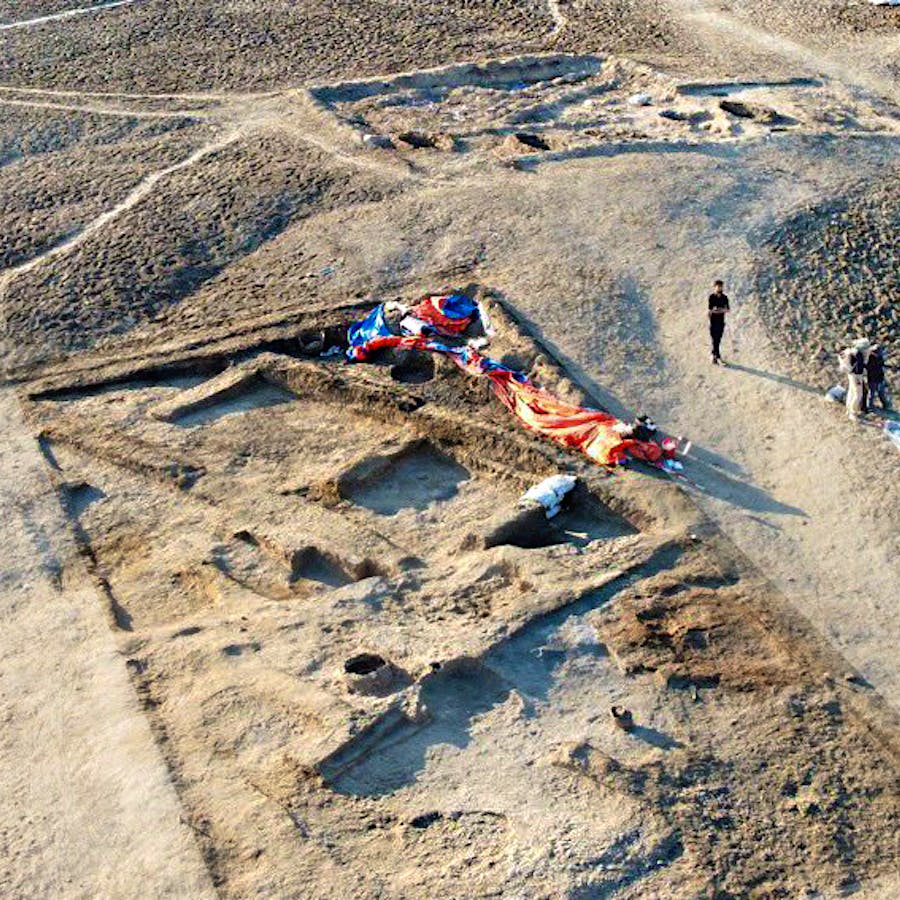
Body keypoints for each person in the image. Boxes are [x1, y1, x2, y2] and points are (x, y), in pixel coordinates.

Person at [838, 338, 870, 421]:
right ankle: (853, 413)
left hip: (851, 374)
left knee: (851, 392)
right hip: (856, 376)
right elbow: (859, 367)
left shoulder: (850, 351)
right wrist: (859, 380)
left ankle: (849, 409)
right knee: (858, 395)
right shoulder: (858, 354)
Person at [707, 280, 730, 365]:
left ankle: (714, 355)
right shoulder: (712, 297)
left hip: (721, 321)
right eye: (717, 286)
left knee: (718, 339)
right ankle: (717, 356)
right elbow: (710, 310)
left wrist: (719, 310)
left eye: (720, 286)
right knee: (714, 339)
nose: (719, 288)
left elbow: (727, 309)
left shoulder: (725, 297)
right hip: (713, 321)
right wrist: (717, 310)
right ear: (715, 287)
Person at [866, 344, 892, 412]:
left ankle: (885, 406)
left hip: (879, 377)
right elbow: (868, 368)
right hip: (872, 378)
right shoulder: (869, 358)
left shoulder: (879, 357)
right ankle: (870, 407)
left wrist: (891, 367)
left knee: (881, 393)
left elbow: (882, 365)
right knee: (871, 394)